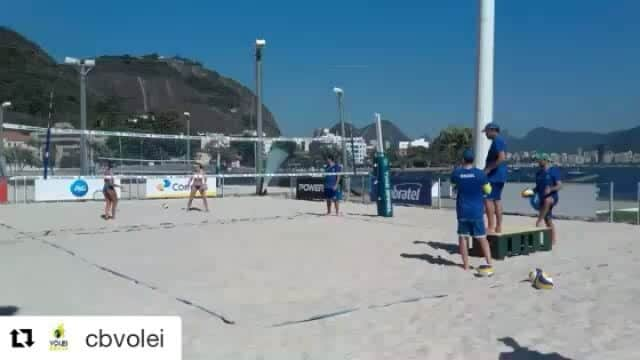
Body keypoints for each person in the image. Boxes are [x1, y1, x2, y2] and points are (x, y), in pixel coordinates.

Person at [451, 149, 494, 271]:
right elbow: (488, 190)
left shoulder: (457, 173)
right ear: (473, 160)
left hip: (462, 210)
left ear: (463, 160)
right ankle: (489, 263)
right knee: (482, 238)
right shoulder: (480, 174)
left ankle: (465, 266)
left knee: (463, 238)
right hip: (476, 211)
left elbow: (454, 185)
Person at [483, 122, 508, 234]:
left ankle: (491, 226)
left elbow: (501, 157)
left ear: (492, 130)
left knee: (488, 199)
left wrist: (489, 169)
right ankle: (498, 226)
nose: (485, 134)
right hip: (499, 176)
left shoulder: (497, 141)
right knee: (497, 200)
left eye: (486, 131)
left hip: (494, 176)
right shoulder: (499, 141)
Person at [533, 153, 562, 245]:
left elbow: (559, 185)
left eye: (539, 160)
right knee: (548, 220)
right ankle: (553, 240)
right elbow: (537, 188)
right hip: (542, 197)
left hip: (552, 197)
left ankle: (539, 220)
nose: (537, 162)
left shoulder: (553, 171)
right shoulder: (538, 173)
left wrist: (551, 189)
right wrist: (530, 192)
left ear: (545, 160)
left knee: (548, 200)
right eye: (537, 160)